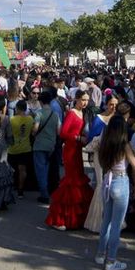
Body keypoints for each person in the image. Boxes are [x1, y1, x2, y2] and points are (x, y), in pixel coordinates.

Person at [94, 116, 135, 270]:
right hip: (121, 181)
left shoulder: (105, 143)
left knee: (106, 221)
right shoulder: (124, 145)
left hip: (108, 181)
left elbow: (101, 163)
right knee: (116, 225)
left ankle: (100, 254)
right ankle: (111, 260)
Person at [45, 89, 95, 231]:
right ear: (76, 99)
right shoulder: (72, 113)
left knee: (77, 182)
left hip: (77, 150)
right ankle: (59, 218)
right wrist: (78, 138)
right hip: (70, 151)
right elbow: (63, 132)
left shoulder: (82, 113)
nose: (85, 103)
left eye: (87, 100)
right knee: (70, 183)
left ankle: (75, 218)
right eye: (83, 100)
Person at [84, 96, 117, 233]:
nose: (113, 107)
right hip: (100, 155)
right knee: (101, 184)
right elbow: (91, 139)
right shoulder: (99, 119)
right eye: (111, 104)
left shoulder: (117, 119)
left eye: (115, 105)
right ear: (106, 104)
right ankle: (97, 221)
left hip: (114, 158)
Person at [32, 90, 60, 204]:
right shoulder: (55, 114)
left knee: (40, 171)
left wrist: (33, 133)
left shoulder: (39, 113)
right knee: (47, 169)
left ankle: (44, 194)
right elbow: (59, 131)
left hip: (39, 145)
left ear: (41, 101)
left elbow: (35, 129)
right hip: (51, 145)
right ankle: (48, 190)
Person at [8, 99, 34, 199]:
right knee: (22, 170)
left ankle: (10, 188)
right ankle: (20, 190)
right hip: (25, 148)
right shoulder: (30, 119)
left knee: (11, 170)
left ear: (17, 108)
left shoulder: (12, 119)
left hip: (13, 148)